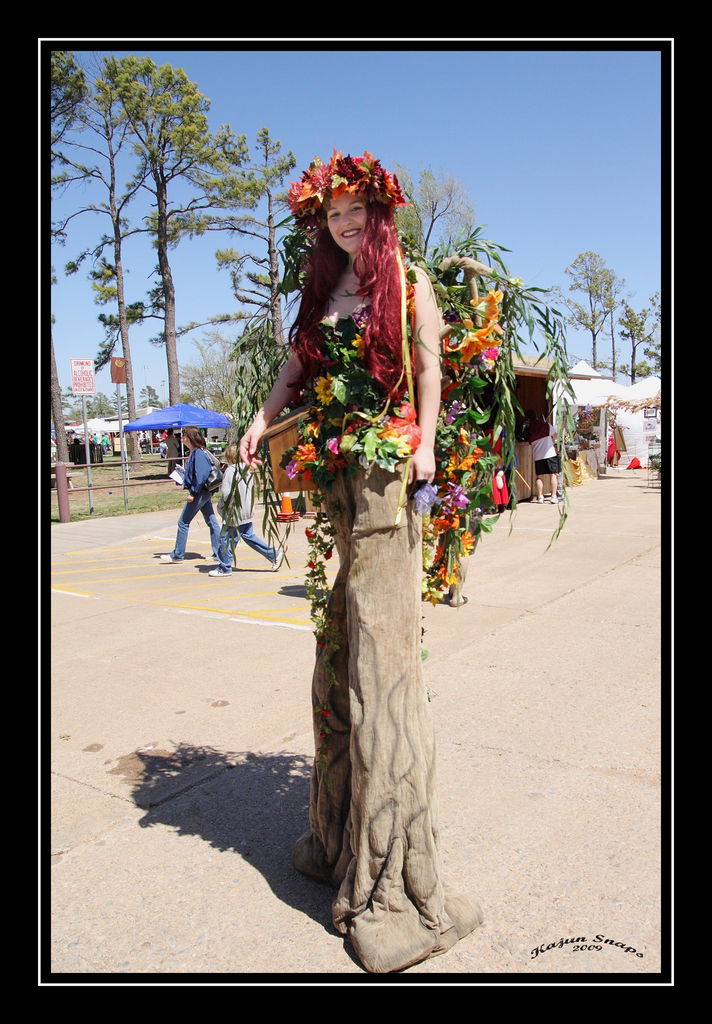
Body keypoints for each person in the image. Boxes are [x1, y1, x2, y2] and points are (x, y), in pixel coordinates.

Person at [240, 150, 483, 974]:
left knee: (380, 663)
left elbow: (429, 364)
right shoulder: (323, 289)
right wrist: (264, 416)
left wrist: (425, 446)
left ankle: (392, 881)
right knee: (338, 649)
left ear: (378, 213)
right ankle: (336, 837)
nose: (344, 223)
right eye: (332, 214)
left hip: (387, 481)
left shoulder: (407, 281)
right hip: (336, 483)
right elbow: (298, 364)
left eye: (355, 211)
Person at [159, 425, 232, 573]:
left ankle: (178, 555)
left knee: (183, 522)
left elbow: (201, 475)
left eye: (184, 435)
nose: (182, 438)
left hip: (199, 493)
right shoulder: (195, 452)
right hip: (203, 492)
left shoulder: (198, 453)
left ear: (190, 437)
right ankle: (218, 551)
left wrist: (193, 493)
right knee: (211, 521)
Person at [215, 444, 284, 572]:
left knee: (225, 537)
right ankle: (273, 554)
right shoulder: (247, 470)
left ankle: (224, 567)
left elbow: (227, 493)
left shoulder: (231, 471)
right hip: (246, 510)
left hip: (235, 511)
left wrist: (221, 506)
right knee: (247, 536)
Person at [525, 409, 560, 504]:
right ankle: (553, 496)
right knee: (553, 475)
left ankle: (540, 497)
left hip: (538, 456)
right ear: (536, 416)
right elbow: (556, 436)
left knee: (539, 477)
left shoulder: (528, 429)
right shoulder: (546, 425)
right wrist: (551, 438)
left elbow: (527, 440)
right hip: (550, 454)